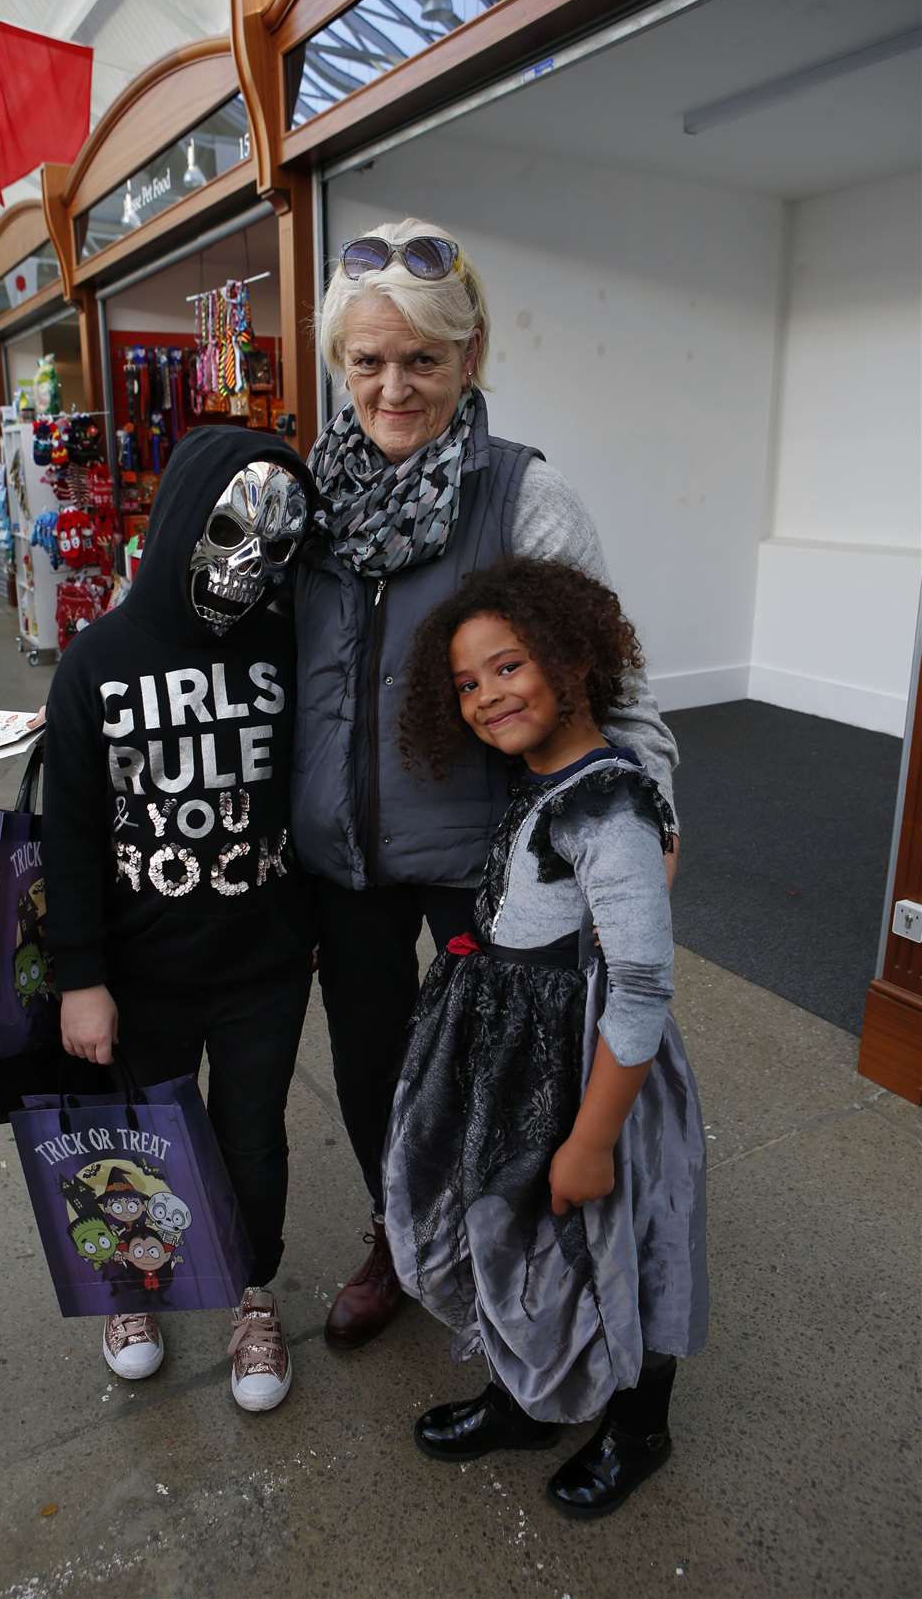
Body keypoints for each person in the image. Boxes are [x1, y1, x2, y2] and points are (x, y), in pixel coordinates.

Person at [295, 220, 681, 1350]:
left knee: (503, 1079)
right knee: (371, 1073)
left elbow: (623, 691)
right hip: (344, 862)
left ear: (472, 358)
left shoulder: (522, 496)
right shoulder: (304, 504)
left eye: (423, 358)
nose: (393, 386)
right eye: (367, 361)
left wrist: (648, 842)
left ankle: (513, 1254)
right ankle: (397, 1230)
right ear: (338, 366)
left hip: (492, 865)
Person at [384, 556, 708, 1517]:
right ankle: (531, 1396)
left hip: (596, 1079)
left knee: (630, 1245)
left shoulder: (605, 804)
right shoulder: (541, 780)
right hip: (528, 1066)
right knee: (525, 1239)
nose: (487, 695)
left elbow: (642, 986)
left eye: (509, 666)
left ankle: (639, 1427)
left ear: (572, 658)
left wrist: (595, 1138)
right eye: (468, 683)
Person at [42, 428, 316, 1411]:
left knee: (251, 1136)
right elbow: (69, 829)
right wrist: (80, 974)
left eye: (277, 549)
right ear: (177, 525)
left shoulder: (288, 648)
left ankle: (251, 1295)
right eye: (231, 530)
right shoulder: (97, 665)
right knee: (133, 1134)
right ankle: (135, 1287)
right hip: (139, 970)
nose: (250, 567)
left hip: (264, 967)